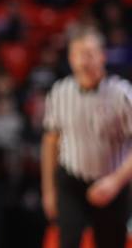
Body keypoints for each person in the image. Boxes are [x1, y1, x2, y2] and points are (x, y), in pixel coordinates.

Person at [41, 26, 132, 248]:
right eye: (78, 54)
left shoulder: (122, 94)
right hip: (71, 179)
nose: (84, 61)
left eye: (90, 54)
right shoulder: (59, 92)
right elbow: (51, 142)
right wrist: (49, 190)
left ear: (102, 56)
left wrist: (115, 182)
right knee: (68, 242)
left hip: (111, 182)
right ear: (71, 59)